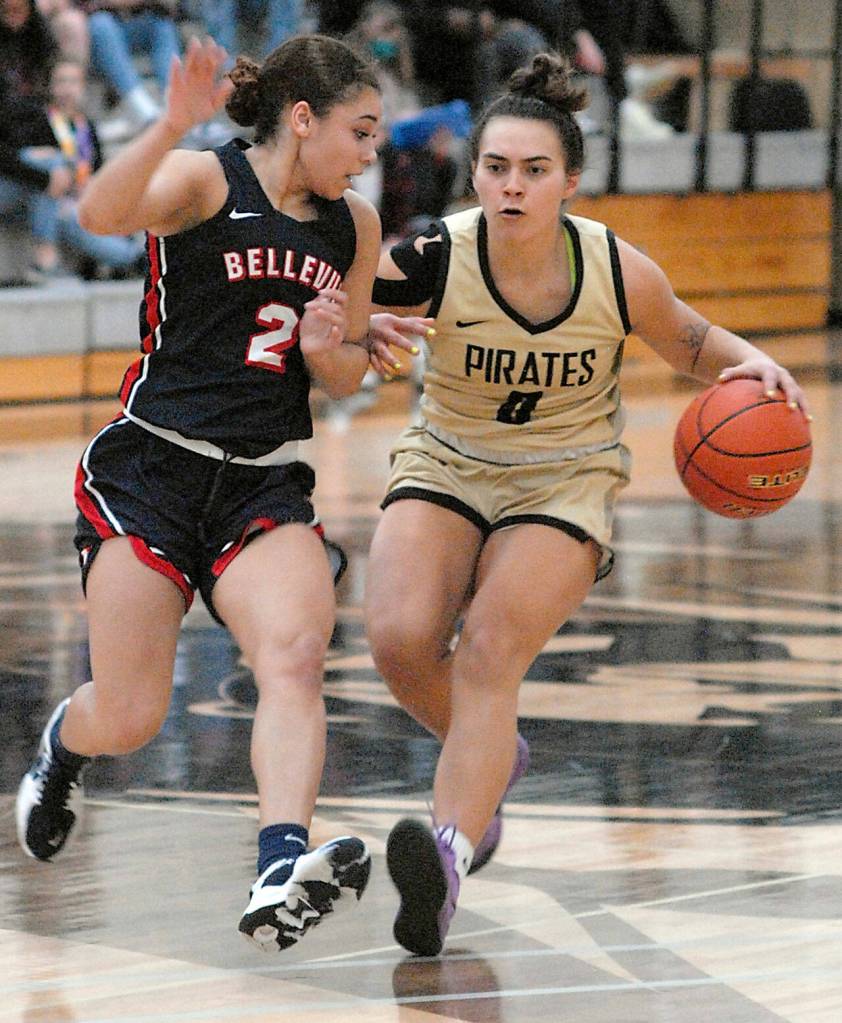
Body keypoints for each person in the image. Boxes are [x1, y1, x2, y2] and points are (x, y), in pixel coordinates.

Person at [363, 51, 810, 957]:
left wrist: (752, 362)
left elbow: (690, 342)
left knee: (489, 649)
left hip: (565, 476)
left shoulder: (615, 266)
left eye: (534, 171)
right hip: (448, 461)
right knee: (398, 642)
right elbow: (332, 330)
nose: (512, 187)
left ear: (570, 179)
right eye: (496, 168)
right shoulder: (430, 255)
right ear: (474, 172)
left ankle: (449, 850)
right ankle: (492, 763)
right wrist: (350, 331)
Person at [14, 33, 423, 954]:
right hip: (153, 466)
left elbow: (347, 370)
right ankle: (65, 747)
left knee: (294, 655)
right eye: (359, 132)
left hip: (264, 477)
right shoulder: (206, 179)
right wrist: (166, 126)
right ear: (303, 118)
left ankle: (281, 861)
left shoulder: (351, 226)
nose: (370, 155)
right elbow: (101, 211)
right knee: (131, 712)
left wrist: (333, 355)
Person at [16, 58, 145, 280]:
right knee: (70, 215)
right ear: (50, 87)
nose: (67, 89)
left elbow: (98, 169)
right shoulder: (37, 119)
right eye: (61, 82)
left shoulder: (87, 126)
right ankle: (132, 258)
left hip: (83, 194)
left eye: (73, 82)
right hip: (45, 200)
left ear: (83, 87)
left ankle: (121, 257)